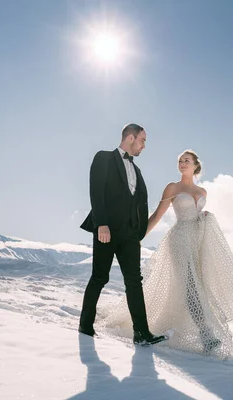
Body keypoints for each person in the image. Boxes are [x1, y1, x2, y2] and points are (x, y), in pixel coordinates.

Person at [103, 150, 233, 358]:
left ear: (195, 166)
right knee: (191, 287)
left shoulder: (203, 191)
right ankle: (207, 335)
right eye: (180, 161)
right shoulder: (172, 187)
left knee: (201, 287)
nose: (182, 164)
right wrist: (137, 237)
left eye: (186, 161)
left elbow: (198, 216)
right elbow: (157, 214)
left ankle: (199, 331)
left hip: (197, 242)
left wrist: (204, 217)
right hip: (179, 240)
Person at [79, 123, 167, 346]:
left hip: (129, 236)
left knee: (134, 282)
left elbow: (138, 203)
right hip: (106, 231)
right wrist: (102, 224)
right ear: (130, 138)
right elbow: (96, 191)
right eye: (143, 140)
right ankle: (85, 326)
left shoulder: (137, 170)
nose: (144, 146)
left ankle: (142, 333)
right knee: (100, 277)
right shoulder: (104, 158)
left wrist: (138, 233)